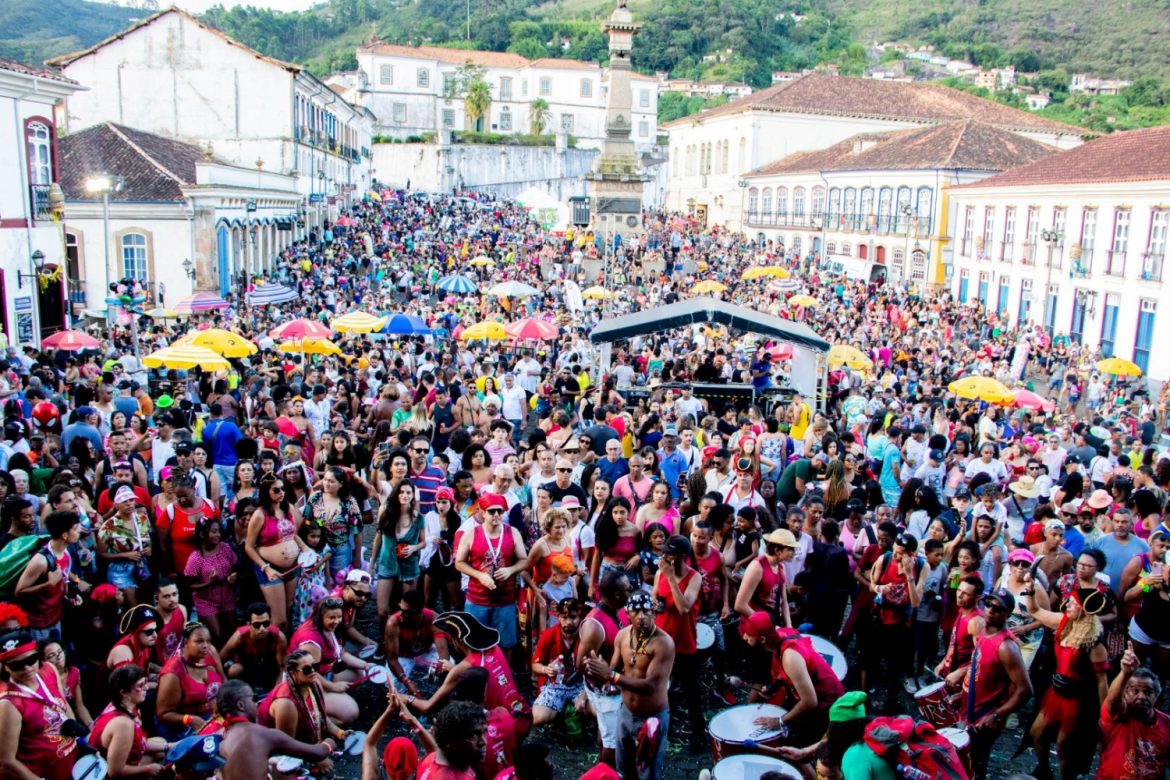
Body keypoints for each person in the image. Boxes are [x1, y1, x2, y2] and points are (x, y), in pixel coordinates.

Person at [583, 590, 676, 780]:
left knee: (648, 772)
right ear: (628, 614)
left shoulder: (664, 643)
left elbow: (650, 686)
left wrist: (611, 675)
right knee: (624, 767)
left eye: (646, 611)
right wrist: (596, 668)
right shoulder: (623, 636)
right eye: (636, 612)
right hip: (625, 712)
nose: (641, 616)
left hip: (652, 717)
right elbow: (613, 669)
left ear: (654, 612)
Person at [1021, 584, 1109, 780]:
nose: (1067, 604)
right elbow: (1035, 610)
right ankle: (1043, 770)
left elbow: (1102, 681)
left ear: (1084, 610)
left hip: (1078, 700)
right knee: (1037, 732)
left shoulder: (1094, 642)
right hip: (1056, 692)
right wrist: (1030, 591)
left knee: (1064, 746)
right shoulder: (1064, 621)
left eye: (1073, 603)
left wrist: (1104, 715)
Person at [741, 610, 845, 748]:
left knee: (797, 750)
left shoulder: (790, 658)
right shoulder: (778, 633)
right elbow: (783, 670)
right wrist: (774, 687)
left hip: (826, 704)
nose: (744, 637)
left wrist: (780, 721)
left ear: (762, 640)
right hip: (812, 694)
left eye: (749, 634)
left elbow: (810, 701)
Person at [962, 588, 1034, 779]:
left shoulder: (1006, 647)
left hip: (985, 717)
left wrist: (997, 715)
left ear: (1007, 614)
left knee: (976, 765)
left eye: (997, 608)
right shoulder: (985, 632)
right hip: (972, 709)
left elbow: (1025, 690)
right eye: (988, 604)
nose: (990, 610)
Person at [405, 611, 526, 718]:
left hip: (502, 724)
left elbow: (427, 706)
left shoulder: (463, 667)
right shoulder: (494, 648)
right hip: (521, 712)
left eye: (452, 639)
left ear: (459, 641)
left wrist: (404, 698)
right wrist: (455, 669)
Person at [455, 492, 529, 661]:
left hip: (505, 600)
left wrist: (510, 570)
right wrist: (479, 575)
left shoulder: (512, 532)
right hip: (477, 599)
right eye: (491, 511)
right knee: (474, 642)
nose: (496, 515)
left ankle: (503, 678)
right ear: (482, 511)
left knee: (506, 644)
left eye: (500, 511)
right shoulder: (471, 533)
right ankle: (477, 675)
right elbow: (459, 563)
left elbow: (524, 561)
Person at [214, 679, 335, 780]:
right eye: (253, 698)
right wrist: (328, 744)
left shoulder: (223, 740)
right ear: (241, 705)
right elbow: (317, 753)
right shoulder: (262, 734)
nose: (257, 704)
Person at [0, 629, 80, 780]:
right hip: (42, 773)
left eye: (31, 660)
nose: (27, 668)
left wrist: (77, 737)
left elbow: (63, 706)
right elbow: (6, 760)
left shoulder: (49, 669)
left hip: (69, 761)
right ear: (5, 667)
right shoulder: (8, 704)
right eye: (17, 665)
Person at [652, 534, 704, 753]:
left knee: (691, 690)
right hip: (663, 638)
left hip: (684, 641)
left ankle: (698, 734)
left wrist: (671, 578)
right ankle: (667, 727)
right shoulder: (659, 573)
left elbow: (684, 608)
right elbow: (657, 598)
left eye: (669, 553)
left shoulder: (694, 578)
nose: (664, 556)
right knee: (664, 687)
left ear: (682, 556)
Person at [575, 569, 632, 768]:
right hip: (606, 692)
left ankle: (601, 764)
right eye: (627, 589)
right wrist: (605, 672)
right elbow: (580, 663)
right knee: (612, 741)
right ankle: (605, 772)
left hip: (617, 685)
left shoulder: (621, 610)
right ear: (617, 594)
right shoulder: (594, 626)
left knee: (608, 731)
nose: (630, 591)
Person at [1097, 641, 1170, 780]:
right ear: (1125, 693)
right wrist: (1125, 673)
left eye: (1148, 692)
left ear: (1157, 695)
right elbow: (1111, 700)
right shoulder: (1118, 714)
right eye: (1135, 691)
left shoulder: (1167, 725)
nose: (1141, 697)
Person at [88, 666, 170, 778]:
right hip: (104, 774)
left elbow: (140, 742)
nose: (146, 688)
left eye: (145, 682)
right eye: (140, 686)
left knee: (161, 744)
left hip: (113, 761)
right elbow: (115, 772)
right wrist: (148, 769)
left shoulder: (121, 705)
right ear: (123, 693)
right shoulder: (123, 725)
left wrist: (169, 746)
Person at [258, 649, 349, 747]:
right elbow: (287, 745)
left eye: (315, 666)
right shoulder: (285, 703)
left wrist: (339, 733)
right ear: (293, 673)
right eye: (307, 670)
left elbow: (319, 716)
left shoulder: (314, 683)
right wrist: (317, 757)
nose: (313, 671)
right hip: (272, 749)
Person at [155, 622, 226, 737]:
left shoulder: (211, 653)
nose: (205, 646)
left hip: (213, 716)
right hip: (184, 725)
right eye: (199, 641)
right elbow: (163, 713)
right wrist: (191, 719)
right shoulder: (173, 673)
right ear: (186, 642)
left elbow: (224, 680)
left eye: (208, 641)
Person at [384, 589, 450, 697]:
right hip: (403, 656)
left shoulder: (433, 618)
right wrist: (406, 681)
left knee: (449, 665)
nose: (402, 614)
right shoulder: (393, 622)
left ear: (420, 610)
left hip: (425, 652)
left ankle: (442, 694)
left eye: (407, 612)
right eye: (401, 609)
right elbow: (392, 659)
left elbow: (443, 651)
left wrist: (441, 668)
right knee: (393, 685)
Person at [530, 597, 585, 727]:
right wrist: (546, 669)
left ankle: (570, 710)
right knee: (538, 718)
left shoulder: (587, 635)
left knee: (594, 710)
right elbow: (535, 665)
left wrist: (586, 694)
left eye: (573, 617)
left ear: (581, 617)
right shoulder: (548, 635)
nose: (568, 622)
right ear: (558, 617)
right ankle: (561, 712)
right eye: (564, 618)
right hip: (556, 684)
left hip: (581, 684)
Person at [734, 527, 797, 625]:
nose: (794, 553)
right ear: (777, 550)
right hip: (756, 628)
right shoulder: (757, 567)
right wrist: (764, 624)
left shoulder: (781, 567)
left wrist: (789, 627)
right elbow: (740, 605)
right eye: (790, 549)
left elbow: (783, 601)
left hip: (773, 622)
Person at [219, 602, 288, 690]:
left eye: (266, 623)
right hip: (246, 666)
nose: (262, 629)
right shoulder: (239, 637)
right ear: (248, 624)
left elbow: (282, 667)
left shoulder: (279, 637)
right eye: (257, 625)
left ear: (270, 621)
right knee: (234, 670)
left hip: (268, 667)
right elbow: (220, 658)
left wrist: (276, 693)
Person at [417, 700, 487, 779]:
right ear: (450, 741)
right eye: (472, 735)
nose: (484, 742)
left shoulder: (430, 758)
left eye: (484, 732)